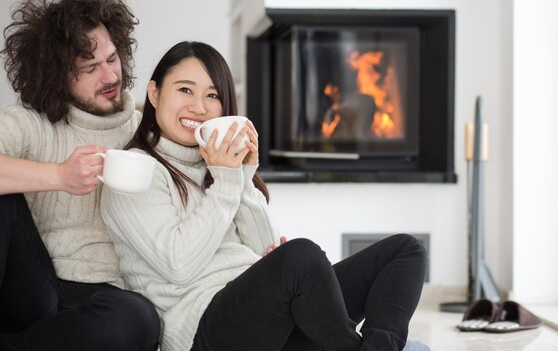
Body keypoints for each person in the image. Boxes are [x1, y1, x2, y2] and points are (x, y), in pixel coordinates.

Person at [100, 40, 428, 351]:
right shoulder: (133, 172)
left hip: (268, 321)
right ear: (154, 93)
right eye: (185, 89)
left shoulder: (219, 167)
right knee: (303, 256)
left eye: (212, 95)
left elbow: (264, 251)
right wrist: (228, 181)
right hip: (206, 329)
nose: (199, 107)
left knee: (405, 250)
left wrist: (241, 175)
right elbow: (178, 266)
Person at [0, 0, 160, 350]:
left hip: (104, 298)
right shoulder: (32, 124)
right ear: (56, 75)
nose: (109, 77)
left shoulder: (146, 127)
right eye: (89, 67)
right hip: (31, 286)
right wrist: (58, 176)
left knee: (139, 318)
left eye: (112, 59)